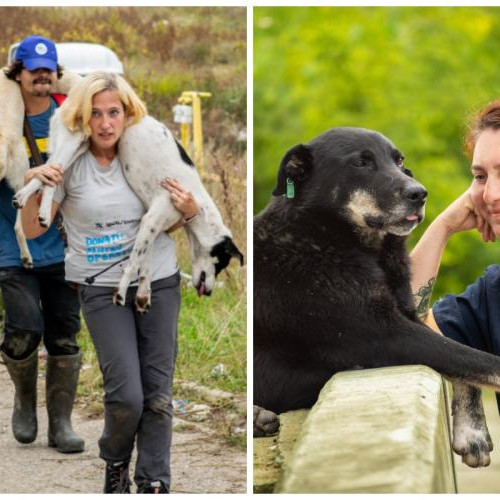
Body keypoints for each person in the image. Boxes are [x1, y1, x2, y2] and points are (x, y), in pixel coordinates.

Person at [21, 71, 199, 494]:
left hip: (156, 282)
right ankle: (116, 462)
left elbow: (168, 222)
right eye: (95, 114)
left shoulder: (147, 156)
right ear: (83, 118)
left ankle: (154, 480)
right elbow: (32, 230)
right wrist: (34, 183)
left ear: (127, 114)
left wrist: (189, 211)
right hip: (100, 289)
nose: (105, 123)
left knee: (158, 396)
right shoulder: (69, 166)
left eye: (113, 112)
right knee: (128, 397)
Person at [0, 35, 84, 453]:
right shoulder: (3, 124)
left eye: (47, 69)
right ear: (17, 74)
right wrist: (28, 177)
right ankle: (24, 403)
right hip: (12, 249)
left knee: (65, 335)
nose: (41, 76)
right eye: (33, 69)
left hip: (65, 249)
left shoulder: (70, 119)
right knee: (23, 331)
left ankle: (62, 424)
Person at [410, 98, 500, 407]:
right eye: (480, 177)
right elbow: (402, 329)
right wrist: (442, 227)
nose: (490, 195)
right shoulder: (493, 294)